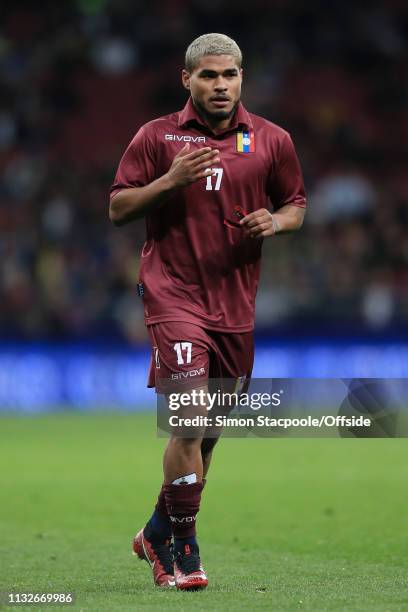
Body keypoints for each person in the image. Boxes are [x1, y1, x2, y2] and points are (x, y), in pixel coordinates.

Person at [109, 32, 307, 591]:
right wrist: (170, 181)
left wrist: (276, 221)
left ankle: (155, 529)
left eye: (230, 76)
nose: (220, 86)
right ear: (187, 79)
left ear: (242, 77)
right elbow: (118, 207)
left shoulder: (271, 139)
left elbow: (295, 203)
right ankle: (184, 552)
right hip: (172, 293)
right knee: (190, 419)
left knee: (210, 430)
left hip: (235, 304)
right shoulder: (156, 137)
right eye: (209, 76)